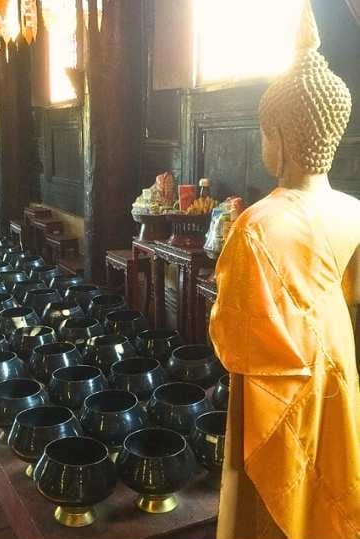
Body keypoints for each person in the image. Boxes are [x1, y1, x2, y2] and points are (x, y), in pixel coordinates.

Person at [209, 3, 360, 538]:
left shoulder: (257, 224)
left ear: (279, 135)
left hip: (276, 378)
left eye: (263, 132)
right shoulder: (353, 210)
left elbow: (234, 331)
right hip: (337, 361)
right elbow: (349, 291)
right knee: (334, 477)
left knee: (275, 496)